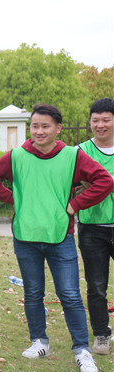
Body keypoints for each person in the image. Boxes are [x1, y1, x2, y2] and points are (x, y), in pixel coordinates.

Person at [0, 104, 113, 372]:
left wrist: (75, 204)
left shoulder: (72, 156)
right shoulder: (16, 155)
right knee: (33, 293)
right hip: (26, 237)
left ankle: (82, 350)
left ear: (58, 128)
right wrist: (14, 199)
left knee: (70, 295)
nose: (39, 131)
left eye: (45, 126)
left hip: (60, 237)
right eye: (35, 126)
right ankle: (39, 342)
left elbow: (104, 180)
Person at [77, 97, 114, 356]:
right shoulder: (79, 152)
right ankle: (102, 335)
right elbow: (73, 184)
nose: (100, 125)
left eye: (106, 120)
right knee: (96, 285)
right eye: (96, 120)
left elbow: (100, 184)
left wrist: (101, 182)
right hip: (92, 227)